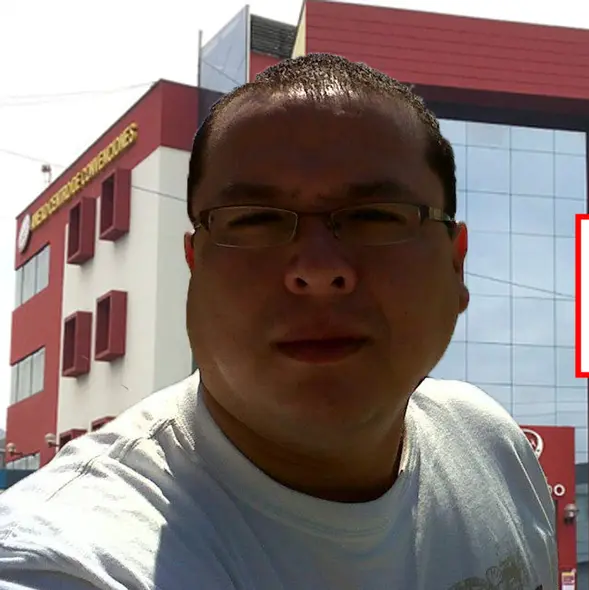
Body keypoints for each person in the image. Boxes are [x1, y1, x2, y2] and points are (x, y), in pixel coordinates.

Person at [0, 53, 557, 590]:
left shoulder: (494, 449)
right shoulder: (67, 558)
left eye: (374, 216)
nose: (317, 270)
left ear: (456, 263)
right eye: (255, 220)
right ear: (196, 265)